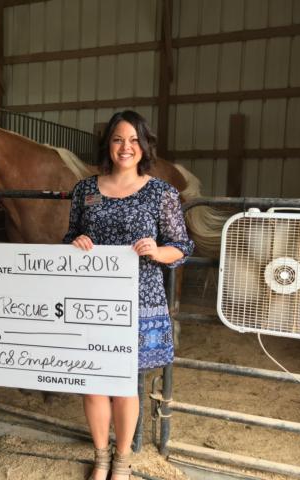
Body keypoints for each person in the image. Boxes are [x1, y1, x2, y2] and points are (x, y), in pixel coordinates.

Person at [64, 111, 193, 480]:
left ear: (144, 146)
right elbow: (68, 237)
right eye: (119, 139)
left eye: (134, 140)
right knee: (92, 382)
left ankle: (121, 460)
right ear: (108, 144)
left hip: (140, 302)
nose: (126, 147)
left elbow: (182, 247)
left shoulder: (161, 193)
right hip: (92, 302)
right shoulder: (85, 190)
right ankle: (100, 456)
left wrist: (157, 251)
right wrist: (77, 242)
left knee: (123, 383)